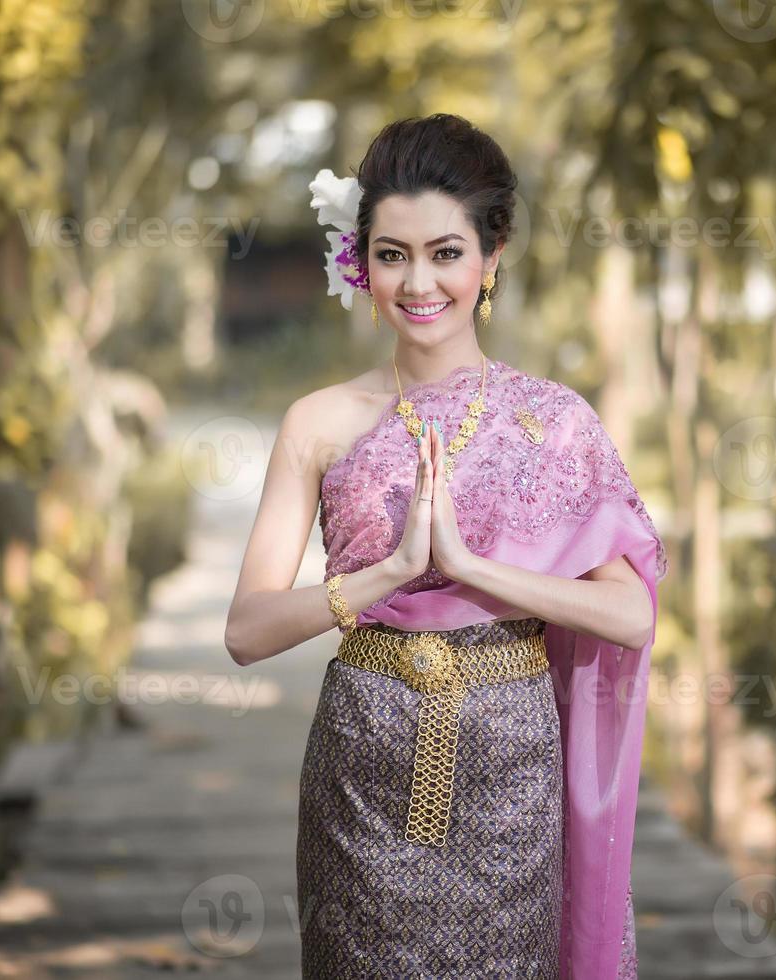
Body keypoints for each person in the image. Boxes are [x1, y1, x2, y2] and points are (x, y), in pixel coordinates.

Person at [222, 113, 669, 979]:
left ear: (491, 256)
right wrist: (386, 575)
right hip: (362, 773)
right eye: (392, 255)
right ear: (362, 262)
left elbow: (629, 612)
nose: (418, 282)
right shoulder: (317, 423)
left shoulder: (554, 422)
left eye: (446, 253)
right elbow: (246, 632)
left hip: (513, 777)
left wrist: (472, 569)